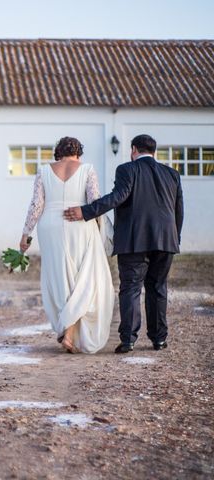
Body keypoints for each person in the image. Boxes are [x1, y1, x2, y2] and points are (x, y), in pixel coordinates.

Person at [63, 134, 183, 354]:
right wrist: (175, 238)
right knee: (158, 288)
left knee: (131, 289)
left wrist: (86, 211)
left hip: (133, 240)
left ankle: (128, 340)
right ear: (153, 151)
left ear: (134, 150)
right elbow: (178, 210)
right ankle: (159, 340)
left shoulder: (127, 170)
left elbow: (118, 196)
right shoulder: (172, 174)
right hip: (166, 240)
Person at [20, 137, 115, 354]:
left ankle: (67, 328)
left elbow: (36, 205)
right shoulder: (87, 169)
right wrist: (103, 229)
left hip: (49, 226)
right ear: (78, 153)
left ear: (58, 152)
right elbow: (95, 201)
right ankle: (69, 331)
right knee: (84, 277)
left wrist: (26, 233)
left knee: (59, 276)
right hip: (79, 222)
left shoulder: (44, 170)